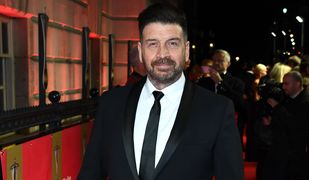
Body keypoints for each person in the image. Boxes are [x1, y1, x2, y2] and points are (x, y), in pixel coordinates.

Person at [77, 3, 244, 180]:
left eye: (172, 43)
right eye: (153, 44)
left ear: (186, 51)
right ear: (141, 52)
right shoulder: (112, 104)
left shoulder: (216, 110)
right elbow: (91, 173)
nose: (162, 54)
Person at [258, 71, 309, 180]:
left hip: (291, 157)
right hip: (279, 151)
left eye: (286, 84)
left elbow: (296, 127)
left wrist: (277, 107)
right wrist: (271, 122)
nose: (283, 87)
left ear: (297, 84)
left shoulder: (307, 103)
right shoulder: (288, 98)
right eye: (283, 83)